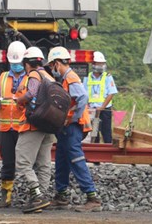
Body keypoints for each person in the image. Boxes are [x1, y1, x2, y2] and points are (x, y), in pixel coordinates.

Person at [48, 47, 102, 212]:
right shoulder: (66, 79)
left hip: (73, 126)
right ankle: (61, 195)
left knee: (76, 159)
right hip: (67, 127)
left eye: (52, 66)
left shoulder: (70, 77)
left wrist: (72, 117)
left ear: (57, 64)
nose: (52, 69)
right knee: (62, 159)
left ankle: (92, 197)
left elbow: (83, 97)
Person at [14, 46, 56, 214]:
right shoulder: (49, 76)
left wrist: (19, 100)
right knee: (44, 162)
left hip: (35, 124)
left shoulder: (34, 74)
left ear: (27, 64)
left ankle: (37, 195)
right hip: (49, 124)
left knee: (23, 160)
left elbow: (31, 93)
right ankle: (42, 197)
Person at [0, 41, 27, 208]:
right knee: (8, 162)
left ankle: (33, 194)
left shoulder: (29, 78)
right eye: (13, 63)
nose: (16, 66)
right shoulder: (3, 77)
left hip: (23, 128)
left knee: (27, 162)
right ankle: (6, 196)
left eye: (18, 63)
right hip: (6, 128)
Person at [83, 51, 117, 143]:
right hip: (91, 110)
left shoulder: (107, 77)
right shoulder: (87, 77)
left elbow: (111, 93)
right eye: (99, 63)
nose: (102, 66)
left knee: (106, 133)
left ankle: (108, 153)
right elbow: (84, 93)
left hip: (104, 110)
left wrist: (102, 107)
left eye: (103, 64)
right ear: (93, 64)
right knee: (93, 134)